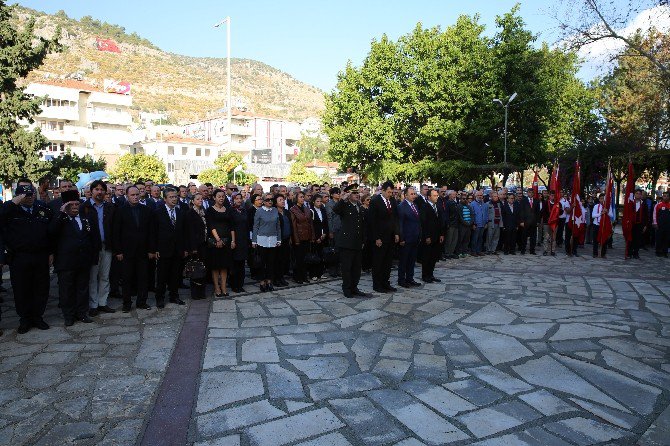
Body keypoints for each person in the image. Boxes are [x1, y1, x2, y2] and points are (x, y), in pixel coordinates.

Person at [0, 181, 53, 333]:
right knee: (21, 289)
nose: (29, 197)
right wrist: (13, 203)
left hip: (40, 255)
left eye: (31, 194)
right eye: (25, 195)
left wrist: (51, 252)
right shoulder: (10, 210)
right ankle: (25, 319)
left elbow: (50, 232)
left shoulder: (42, 209)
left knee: (41, 287)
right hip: (19, 256)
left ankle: (38, 316)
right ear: (18, 196)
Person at [49, 190, 97, 326]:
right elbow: (52, 232)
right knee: (67, 290)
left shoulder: (84, 218)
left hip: (83, 261)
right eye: (72, 205)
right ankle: (69, 316)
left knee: (82, 288)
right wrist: (62, 213)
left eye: (77, 204)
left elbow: (91, 237)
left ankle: (82, 313)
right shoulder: (60, 219)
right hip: (66, 262)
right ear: (65, 206)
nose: (76, 207)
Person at [113, 186, 153, 312]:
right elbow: (116, 232)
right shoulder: (120, 210)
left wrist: (151, 249)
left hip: (143, 250)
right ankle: (127, 303)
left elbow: (151, 231)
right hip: (126, 251)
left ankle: (142, 301)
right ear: (127, 196)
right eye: (132, 195)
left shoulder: (146, 210)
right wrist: (118, 251)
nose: (135, 197)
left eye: (137, 194)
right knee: (127, 278)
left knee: (143, 277)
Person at [80, 180, 116, 316]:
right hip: (92, 248)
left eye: (102, 190)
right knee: (92, 277)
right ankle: (93, 304)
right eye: (97, 189)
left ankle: (103, 302)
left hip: (107, 247)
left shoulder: (110, 207)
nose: (99, 192)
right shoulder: (85, 207)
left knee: (105, 276)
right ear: (91, 191)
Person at [152, 187, 188, 307]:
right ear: (165, 198)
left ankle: (174, 296)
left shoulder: (180, 212)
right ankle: (160, 298)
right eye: (171, 197)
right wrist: (155, 249)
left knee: (175, 274)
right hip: (163, 249)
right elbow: (154, 232)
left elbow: (183, 232)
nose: (174, 199)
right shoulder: (158, 212)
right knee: (162, 275)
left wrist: (184, 249)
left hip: (177, 249)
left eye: (175, 196)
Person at [333, 184, 369, 298]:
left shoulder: (359, 206)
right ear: (349, 195)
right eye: (354, 193)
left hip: (357, 242)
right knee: (347, 268)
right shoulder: (345, 205)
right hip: (347, 242)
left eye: (357, 193)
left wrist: (363, 240)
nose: (357, 195)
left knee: (356, 268)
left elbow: (362, 225)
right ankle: (347, 288)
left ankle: (354, 287)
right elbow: (335, 209)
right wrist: (343, 199)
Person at [368, 181, 399, 293]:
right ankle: (377, 284)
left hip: (390, 236)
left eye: (392, 192)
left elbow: (395, 218)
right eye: (388, 192)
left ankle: (386, 283)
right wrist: (377, 237)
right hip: (380, 237)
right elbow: (372, 221)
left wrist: (396, 233)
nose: (390, 194)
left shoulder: (392, 201)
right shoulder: (375, 201)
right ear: (383, 190)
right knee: (378, 262)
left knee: (387, 262)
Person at [206, 189, 235, 298]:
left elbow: (232, 226)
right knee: (215, 266)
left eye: (223, 196)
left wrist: (233, 240)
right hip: (215, 242)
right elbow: (211, 225)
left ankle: (223, 287)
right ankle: (217, 288)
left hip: (227, 241)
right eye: (219, 196)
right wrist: (218, 239)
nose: (221, 198)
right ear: (214, 197)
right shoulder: (210, 210)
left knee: (224, 266)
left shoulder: (228, 210)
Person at [252, 194, 281, 292]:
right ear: (263, 201)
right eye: (267, 199)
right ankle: (262, 282)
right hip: (261, 240)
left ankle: (269, 282)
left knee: (271, 263)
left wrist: (279, 239)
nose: (270, 201)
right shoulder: (259, 211)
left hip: (273, 239)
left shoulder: (275, 210)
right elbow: (255, 226)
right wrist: (254, 240)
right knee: (261, 262)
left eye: (271, 199)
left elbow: (278, 226)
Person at [397, 186, 422, 288]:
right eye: (411, 194)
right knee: (404, 261)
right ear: (406, 195)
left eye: (414, 194)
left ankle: (410, 278)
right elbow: (400, 224)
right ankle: (401, 280)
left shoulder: (415, 205)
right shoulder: (401, 206)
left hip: (415, 237)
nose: (414, 196)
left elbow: (418, 222)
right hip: (406, 239)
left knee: (412, 260)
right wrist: (401, 238)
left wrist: (419, 234)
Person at [290, 191, 315, 284]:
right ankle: (298, 277)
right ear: (296, 198)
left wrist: (312, 236)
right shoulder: (293, 209)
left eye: (303, 197)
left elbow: (310, 224)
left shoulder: (307, 209)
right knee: (298, 258)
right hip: (299, 237)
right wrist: (296, 239)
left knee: (305, 258)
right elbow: (293, 226)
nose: (302, 198)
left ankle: (304, 276)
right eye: (300, 197)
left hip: (307, 236)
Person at [187, 193, 208, 299]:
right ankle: (196, 293)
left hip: (203, 243)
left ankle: (202, 292)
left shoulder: (203, 211)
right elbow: (190, 232)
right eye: (198, 199)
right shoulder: (191, 213)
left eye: (201, 199)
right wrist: (193, 248)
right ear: (193, 201)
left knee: (202, 268)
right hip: (195, 246)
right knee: (195, 269)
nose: (200, 200)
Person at [420, 188, 444, 283]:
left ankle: (431, 274)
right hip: (429, 237)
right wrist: (426, 236)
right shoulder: (424, 207)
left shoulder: (438, 206)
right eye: (434, 196)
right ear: (429, 197)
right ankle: (425, 275)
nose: (436, 197)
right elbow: (423, 223)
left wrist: (442, 234)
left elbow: (440, 221)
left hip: (437, 236)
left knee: (434, 256)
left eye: (437, 195)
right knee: (427, 257)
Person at [229, 193, 250, 293]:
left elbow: (247, 224)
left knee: (242, 264)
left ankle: (240, 284)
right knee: (235, 264)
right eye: (236, 199)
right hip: (235, 239)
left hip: (243, 239)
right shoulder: (231, 211)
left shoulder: (244, 210)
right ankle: (234, 284)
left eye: (240, 198)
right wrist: (232, 240)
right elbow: (231, 226)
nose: (238, 200)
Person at [273, 194, 291, 287]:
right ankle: (276, 279)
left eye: (283, 200)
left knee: (283, 259)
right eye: (280, 200)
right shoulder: (274, 212)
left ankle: (281, 278)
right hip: (277, 240)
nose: (283, 201)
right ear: (275, 203)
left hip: (286, 239)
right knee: (277, 260)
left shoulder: (287, 212)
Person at [310, 194, 329, 280]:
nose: (319, 203)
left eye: (320, 201)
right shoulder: (311, 211)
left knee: (321, 255)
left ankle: (320, 273)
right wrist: (316, 237)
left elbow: (325, 223)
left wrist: (325, 233)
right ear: (313, 202)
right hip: (315, 237)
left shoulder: (323, 210)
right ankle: (313, 274)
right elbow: (311, 226)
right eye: (317, 201)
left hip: (323, 236)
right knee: (314, 255)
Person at [325, 187, 342, 277]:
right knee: (333, 250)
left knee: (340, 250)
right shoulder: (329, 204)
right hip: (334, 229)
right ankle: (333, 270)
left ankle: (339, 269)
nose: (338, 194)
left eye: (339, 192)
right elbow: (329, 218)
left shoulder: (340, 203)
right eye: (336, 193)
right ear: (332, 194)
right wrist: (331, 231)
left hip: (341, 228)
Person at [592, 193, 614, 258]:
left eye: (604, 198)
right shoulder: (596, 206)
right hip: (597, 224)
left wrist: (607, 212)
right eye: (601, 198)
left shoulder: (608, 206)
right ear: (599, 199)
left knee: (605, 239)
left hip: (604, 225)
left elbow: (612, 215)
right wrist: (601, 213)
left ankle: (603, 254)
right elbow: (593, 215)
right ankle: (595, 253)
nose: (602, 200)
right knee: (595, 240)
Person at [520, 187, 539, 255]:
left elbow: (537, 212)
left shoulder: (537, 201)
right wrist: (521, 221)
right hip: (525, 222)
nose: (531, 194)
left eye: (532, 192)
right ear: (527, 193)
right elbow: (521, 211)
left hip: (533, 222)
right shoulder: (523, 200)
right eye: (529, 192)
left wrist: (537, 221)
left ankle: (532, 250)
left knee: (533, 237)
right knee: (524, 237)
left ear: (533, 193)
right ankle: (523, 250)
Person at [470, 190, 488, 256]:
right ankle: (473, 251)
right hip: (476, 224)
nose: (480, 196)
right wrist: (473, 224)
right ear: (475, 196)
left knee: (480, 238)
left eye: (481, 195)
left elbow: (486, 214)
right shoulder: (472, 204)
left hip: (483, 224)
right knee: (475, 238)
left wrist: (486, 223)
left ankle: (479, 250)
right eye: (478, 195)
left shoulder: (485, 204)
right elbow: (472, 215)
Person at [653, 191, 670, 257]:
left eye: (667, 196)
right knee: (659, 238)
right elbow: (654, 215)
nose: (666, 197)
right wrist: (655, 223)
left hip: (668, 226)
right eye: (664, 196)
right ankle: (658, 251)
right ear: (662, 197)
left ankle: (665, 252)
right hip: (659, 225)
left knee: (666, 239)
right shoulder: (658, 205)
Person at [444, 190, 459, 259]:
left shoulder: (455, 202)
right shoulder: (447, 203)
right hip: (451, 224)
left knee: (454, 239)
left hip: (456, 223)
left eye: (455, 194)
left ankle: (451, 252)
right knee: (449, 239)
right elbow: (446, 214)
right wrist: (448, 223)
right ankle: (447, 253)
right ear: (449, 195)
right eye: (453, 195)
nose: (454, 196)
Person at [360, 193, 373, 273]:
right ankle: (364, 266)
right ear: (363, 201)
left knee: (370, 249)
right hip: (364, 231)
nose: (369, 201)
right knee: (364, 250)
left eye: (370, 199)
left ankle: (369, 265)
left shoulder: (371, 208)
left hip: (371, 231)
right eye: (367, 199)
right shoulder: (361, 209)